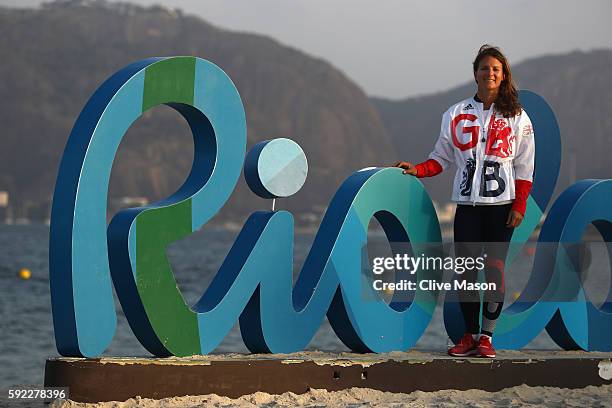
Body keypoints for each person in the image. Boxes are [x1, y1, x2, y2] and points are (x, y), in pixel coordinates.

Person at [394, 44, 535, 358]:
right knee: (468, 272)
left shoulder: (517, 116)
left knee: (495, 270)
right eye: (484, 68)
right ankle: (469, 336)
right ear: (476, 73)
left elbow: (525, 166)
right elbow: (440, 159)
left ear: (503, 76)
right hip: (468, 207)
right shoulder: (456, 113)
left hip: (502, 207)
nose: (490, 74)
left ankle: (487, 337)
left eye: (496, 69)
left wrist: (520, 205)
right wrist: (417, 170)